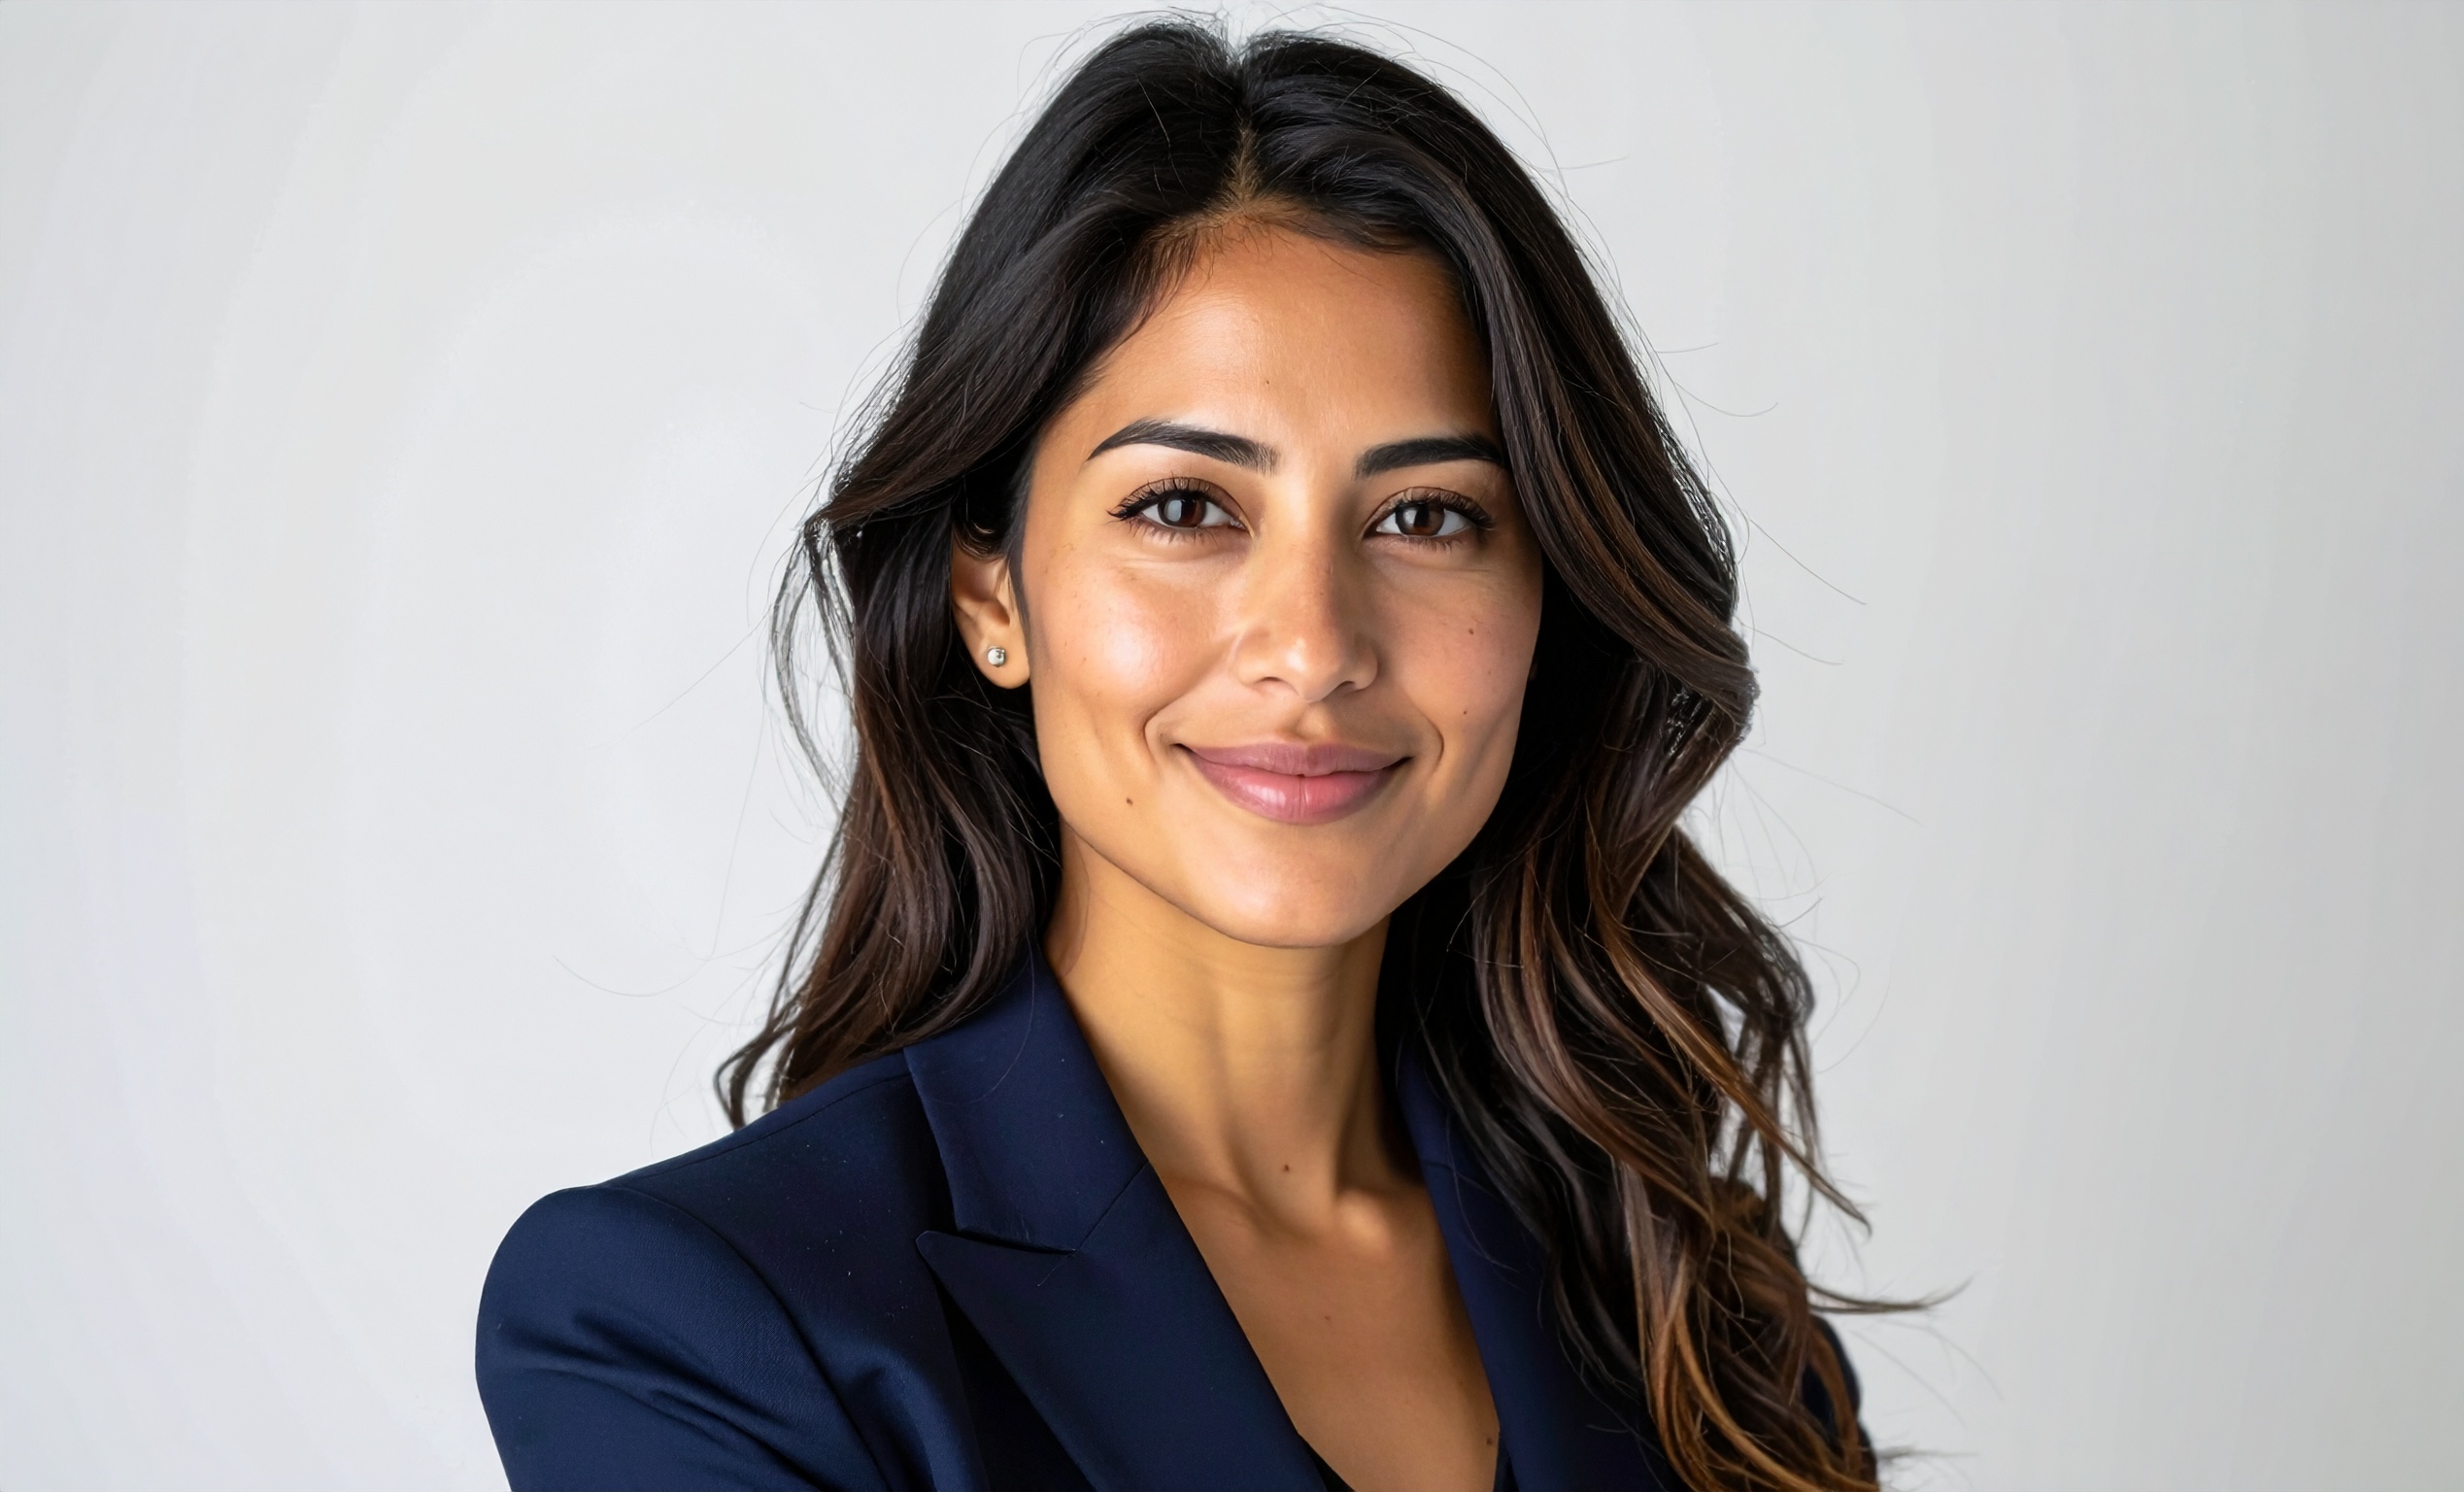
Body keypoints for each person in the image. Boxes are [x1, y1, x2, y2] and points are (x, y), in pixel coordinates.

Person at [477, 20, 1873, 1492]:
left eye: (1426, 518)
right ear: (992, 592)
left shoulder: (1703, 1312)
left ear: (1548, 603)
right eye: (1187, 507)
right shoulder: (699, 1327)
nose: (1314, 641)